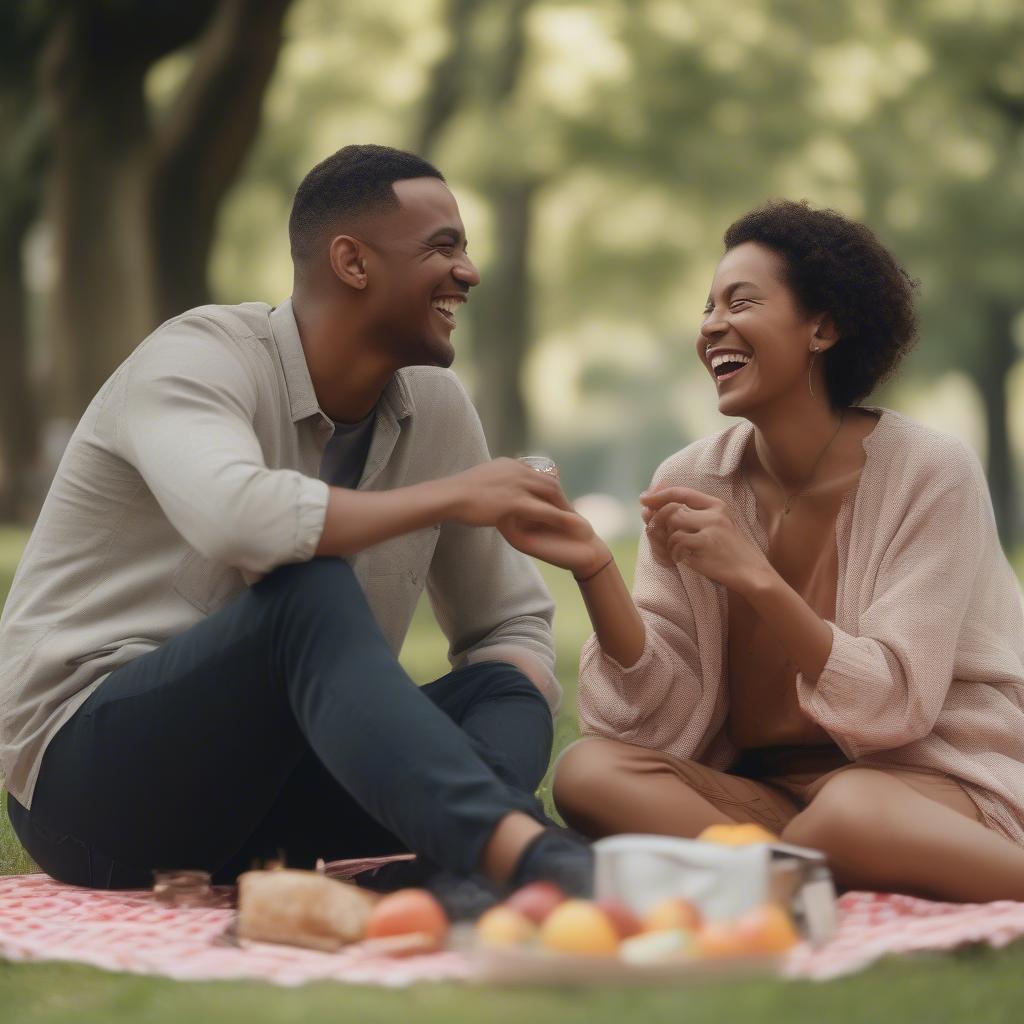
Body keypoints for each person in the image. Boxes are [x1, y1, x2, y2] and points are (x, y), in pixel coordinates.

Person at [0, 144, 593, 899]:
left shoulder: (437, 410)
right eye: (443, 247)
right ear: (352, 262)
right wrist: (451, 497)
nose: (468, 273)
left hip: (279, 797)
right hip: (94, 796)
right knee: (305, 593)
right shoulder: (196, 359)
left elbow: (509, 625)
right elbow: (241, 521)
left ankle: (462, 856)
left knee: (502, 687)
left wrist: (517, 677)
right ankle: (528, 856)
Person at [502, 199, 1024, 902]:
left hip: (932, 781)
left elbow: (894, 705)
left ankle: (761, 878)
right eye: (708, 307)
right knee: (588, 771)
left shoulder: (930, 471)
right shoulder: (688, 480)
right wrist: (594, 568)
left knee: (851, 811)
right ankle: (791, 877)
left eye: (741, 301)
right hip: (769, 796)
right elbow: (655, 724)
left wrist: (755, 577)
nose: (713, 325)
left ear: (824, 327)